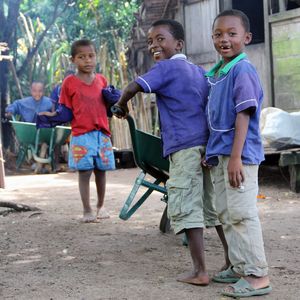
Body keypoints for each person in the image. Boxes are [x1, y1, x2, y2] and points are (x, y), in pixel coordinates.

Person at [112, 19, 229, 285]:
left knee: (188, 206)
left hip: (184, 147)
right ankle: (231, 261)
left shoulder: (165, 68)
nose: (154, 44)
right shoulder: (199, 72)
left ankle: (200, 271)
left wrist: (121, 105)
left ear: (178, 44)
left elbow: (133, 86)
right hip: (205, 148)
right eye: (151, 41)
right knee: (211, 205)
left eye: (160, 39)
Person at [205, 9, 272, 298]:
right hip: (221, 154)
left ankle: (258, 276)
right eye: (218, 34)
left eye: (232, 34)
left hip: (239, 157)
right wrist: (211, 152)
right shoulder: (220, 71)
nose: (224, 39)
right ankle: (238, 264)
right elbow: (215, 116)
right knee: (226, 212)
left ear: (246, 37)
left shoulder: (242, 69)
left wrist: (235, 157)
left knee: (242, 214)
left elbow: (242, 114)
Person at [39, 39, 115, 223]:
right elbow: (64, 110)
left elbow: (108, 108)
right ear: (73, 60)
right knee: (85, 172)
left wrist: (115, 101)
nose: (87, 61)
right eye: (82, 57)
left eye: (91, 56)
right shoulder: (69, 83)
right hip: (81, 135)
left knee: (101, 171)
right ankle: (87, 210)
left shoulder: (102, 80)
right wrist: (50, 117)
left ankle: (100, 206)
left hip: (102, 134)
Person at [5, 81, 53, 174]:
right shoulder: (24, 102)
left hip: (45, 132)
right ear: (31, 91)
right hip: (29, 133)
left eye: (40, 91)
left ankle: (42, 163)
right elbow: (15, 105)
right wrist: (10, 111)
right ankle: (41, 163)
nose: (37, 93)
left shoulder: (49, 103)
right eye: (35, 91)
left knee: (48, 135)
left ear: (43, 91)